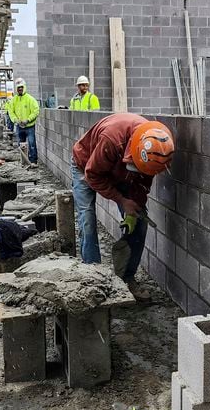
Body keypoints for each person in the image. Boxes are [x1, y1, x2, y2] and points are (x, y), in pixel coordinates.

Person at [70, 113, 174, 295]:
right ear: (132, 151)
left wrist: (134, 208)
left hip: (120, 170)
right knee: (87, 219)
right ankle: (94, 280)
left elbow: (142, 183)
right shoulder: (111, 139)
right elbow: (92, 175)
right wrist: (122, 200)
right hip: (86, 165)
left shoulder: (156, 149)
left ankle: (126, 278)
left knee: (140, 224)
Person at [7, 78, 39, 166]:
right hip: (19, 126)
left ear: (24, 87)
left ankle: (33, 161)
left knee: (32, 144)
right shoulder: (14, 100)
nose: (20, 89)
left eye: (21, 87)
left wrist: (28, 119)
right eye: (18, 88)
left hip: (29, 126)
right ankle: (24, 161)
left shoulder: (30, 99)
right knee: (21, 145)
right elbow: (10, 111)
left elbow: (36, 110)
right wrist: (15, 120)